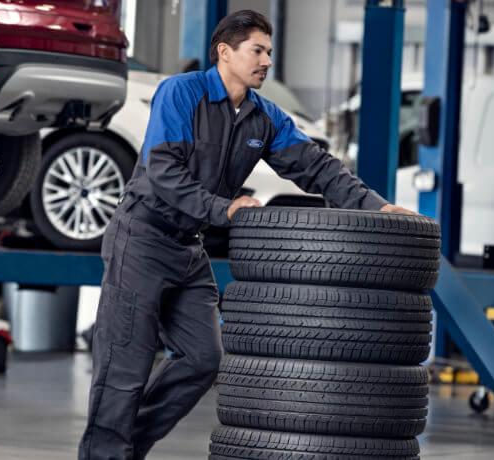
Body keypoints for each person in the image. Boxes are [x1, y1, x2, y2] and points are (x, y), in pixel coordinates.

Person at [78, 9, 414, 460]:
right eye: (258, 50)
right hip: (141, 238)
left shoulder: (264, 117)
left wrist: (377, 206)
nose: (267, 61)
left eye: (269, 52)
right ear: (225, 51)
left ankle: (122, 449)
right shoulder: (182, 93)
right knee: (125, 365)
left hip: (187, 246)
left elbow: (316, 167)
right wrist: (225, 209)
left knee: (203, 359)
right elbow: (163, 171)